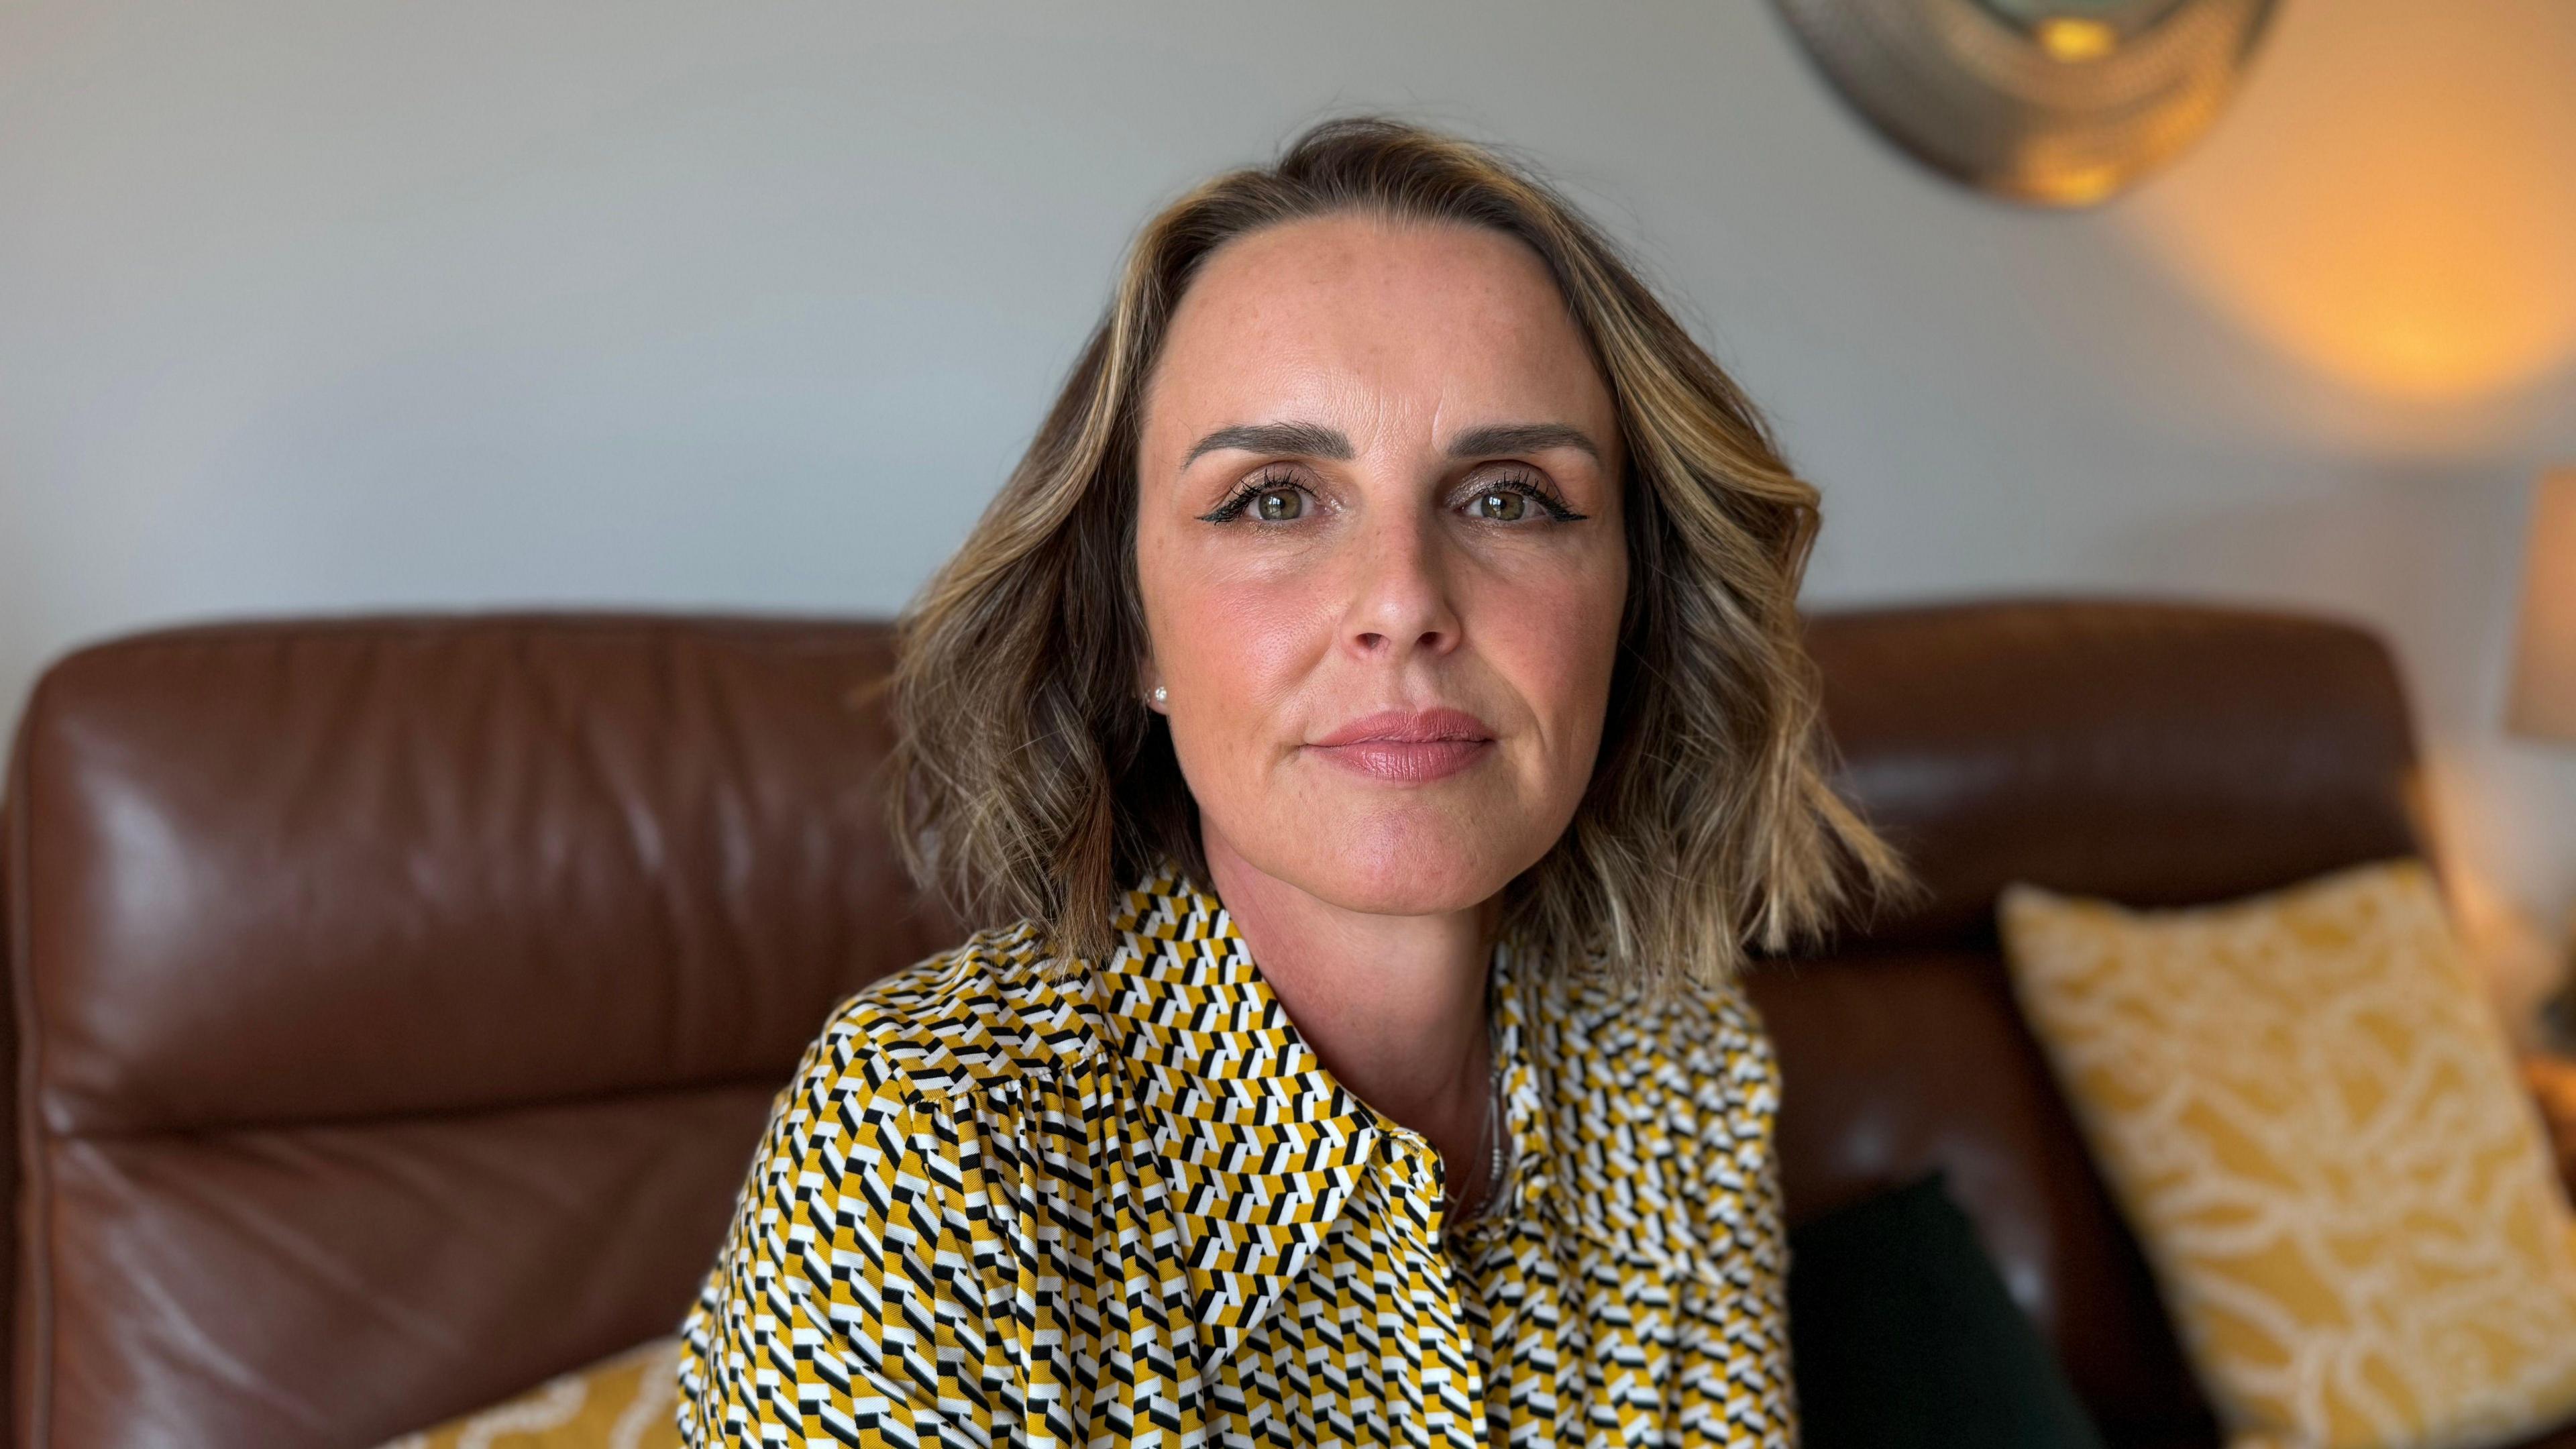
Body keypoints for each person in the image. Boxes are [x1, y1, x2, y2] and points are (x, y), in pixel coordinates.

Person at [675, 113, 1909, 1449]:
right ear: (1134, 628)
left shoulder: (1679, 1063)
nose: (1403, 603)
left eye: (1508, 497)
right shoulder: (924, 1143)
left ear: (1636, 602)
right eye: (1273, 498)